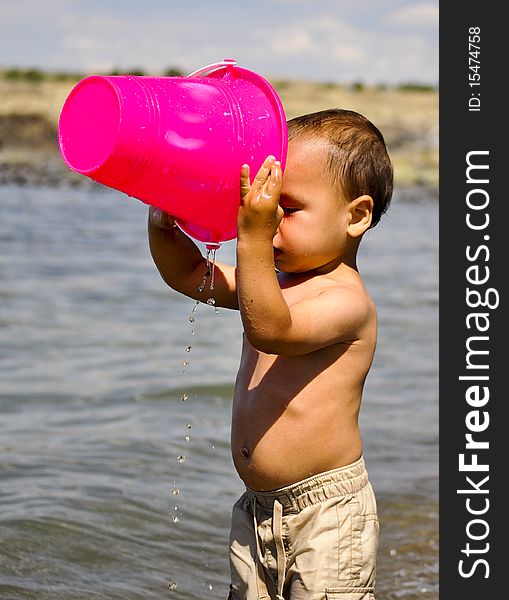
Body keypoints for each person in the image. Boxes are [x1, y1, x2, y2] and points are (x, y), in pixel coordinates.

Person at [148, 108, 393, 600]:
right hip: (258, 508)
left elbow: (271, 330)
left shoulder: (347, 302)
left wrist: (253, 237)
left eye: (288, 208)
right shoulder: (275, 283)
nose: (271, 220)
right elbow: (195, 276)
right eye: (265, 206)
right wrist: (164, 227)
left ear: (356, 216)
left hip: (327, 515)